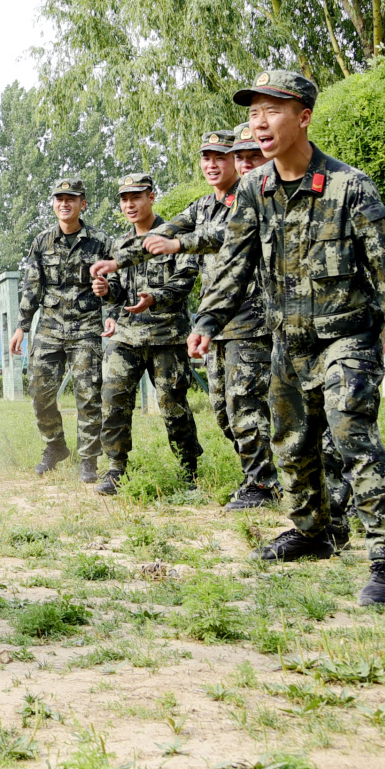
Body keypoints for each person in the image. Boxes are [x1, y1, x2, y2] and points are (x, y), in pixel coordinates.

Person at [180, 68, 385, 606]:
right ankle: (315, 532)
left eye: (272, 111)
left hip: (346, 339)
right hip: (285, 343)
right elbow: (233, 264)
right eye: (253, 113)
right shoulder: (254, 188)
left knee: (350, 433)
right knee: (291, 445)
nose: (260, 123)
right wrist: (206, 322)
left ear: (304, 117)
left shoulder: (348, 186)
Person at [106, 131, 277, 510]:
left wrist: (177, 247)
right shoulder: (201, 207)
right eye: (206, 157)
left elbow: (223, 236)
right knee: (223, 409)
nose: (212, 164)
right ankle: (258, 475)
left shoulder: (250, 201)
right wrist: (118, 261)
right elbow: (168, 230)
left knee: (244, 405)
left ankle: (264, 483)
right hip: (215, 324)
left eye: (222, 156)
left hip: (252, 318)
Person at [89, 174, 201, 496]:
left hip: (167, 335)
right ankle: (116, 469)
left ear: (152, 197)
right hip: (126, 335)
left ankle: (188, 470)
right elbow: (118, 293)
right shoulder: (120, 246)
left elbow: (186, 280)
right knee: (113, 399)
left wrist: (155, 297)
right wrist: (106, 291)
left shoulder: (176, 236)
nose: (129, 204)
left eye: (136, 197)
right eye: (124, 199)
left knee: (172, 403)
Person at [10, 180, 111, 482]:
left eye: (71, 199)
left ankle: (89, 460)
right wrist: (21, 326)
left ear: (83, 203)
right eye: (59, 199)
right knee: (39, 391)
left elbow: (118, 282)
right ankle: (55, 446)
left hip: (87, 327)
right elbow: (31, 286)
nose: (64, 204)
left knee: (88, 394)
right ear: (53, 204)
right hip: (49, 327)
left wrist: (112, 307)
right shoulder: (42, 242)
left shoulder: (101, 242)